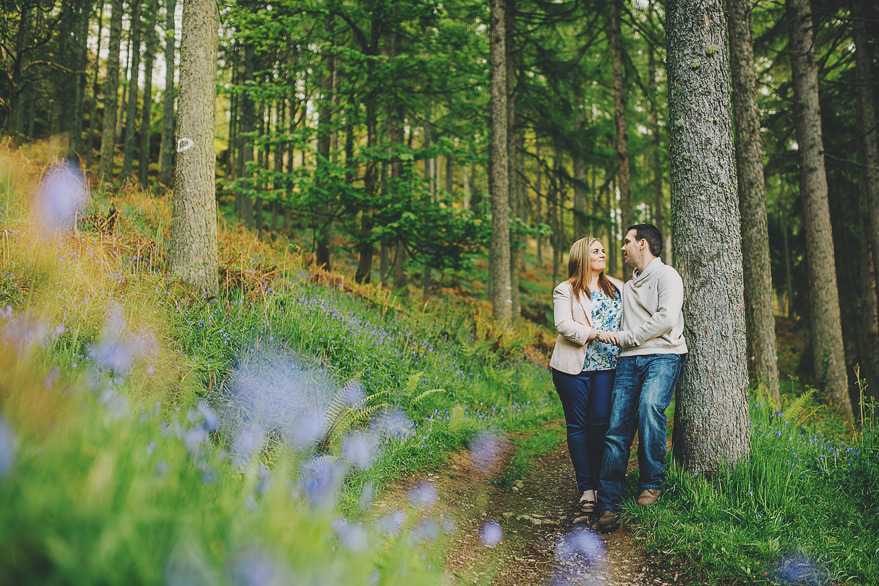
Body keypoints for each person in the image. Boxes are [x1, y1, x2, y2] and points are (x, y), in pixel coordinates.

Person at [594, 224, 687, 533]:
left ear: (643, 244)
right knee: (617, 427)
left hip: (663, 355)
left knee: (649, 408)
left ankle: (651, 482)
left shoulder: (667, 276)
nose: (622, 248)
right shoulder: (629, 285)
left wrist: (626, 337)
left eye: (626, 242)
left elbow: (666, 318)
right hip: (628, 361)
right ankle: (608, 502)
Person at [549, 237, 625, 513]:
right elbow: (563, 324)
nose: (603, 254)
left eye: (603, 250)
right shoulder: (565, 290)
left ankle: (605, 484)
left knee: (601, 425)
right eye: (596, 251)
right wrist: (595, 334)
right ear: (582, 257)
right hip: (573, 369)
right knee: (578, 427)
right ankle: (587, 489)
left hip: (608, 368)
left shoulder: (619, 288)